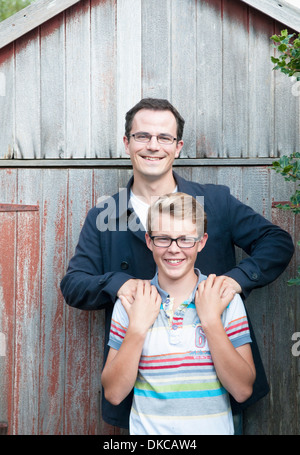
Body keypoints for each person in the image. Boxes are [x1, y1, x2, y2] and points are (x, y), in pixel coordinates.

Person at [60, 98, 294, 431]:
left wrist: (235, 281)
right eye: (142, 136)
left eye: (164, 137)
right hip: (144, 399)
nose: (153, 146)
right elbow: (73, 284)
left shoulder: (215, 201)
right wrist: (117, 283)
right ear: (127, 143)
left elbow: (277, 242)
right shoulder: (104, 215)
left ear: (178, 146)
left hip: (217, 393)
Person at [101, 193, 256, 435]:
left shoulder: (225, 299)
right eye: (163, 238)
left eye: (185, 239)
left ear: (201, 242)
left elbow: (242, 390)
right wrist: (138, 328)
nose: (174, 250)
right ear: (149, 241)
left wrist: (211, 321)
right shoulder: (131, 301)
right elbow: (113, 393)